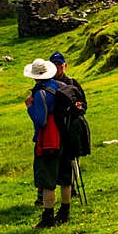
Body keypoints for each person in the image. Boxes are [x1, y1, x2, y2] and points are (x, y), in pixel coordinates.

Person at [34, 51, 87, 208]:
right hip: (64, 133)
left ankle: (64, 195)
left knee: (50, 169)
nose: (58, 67)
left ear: (65, 65)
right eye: (54, 64)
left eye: (60, 64)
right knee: (63, 166)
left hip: (54, 134)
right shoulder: (58, 86)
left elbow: (83, 104)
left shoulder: (69, 83)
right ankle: (61, 205)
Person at [25, 58, 70, 228]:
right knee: (65, 177)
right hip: (65, 135)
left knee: (47, 180)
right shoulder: (59, 86)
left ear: (35, 76)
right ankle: (65, 212)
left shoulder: (40, 93)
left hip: (49, 140)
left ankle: (48, 217)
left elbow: (41, 120)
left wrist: (30, 107)